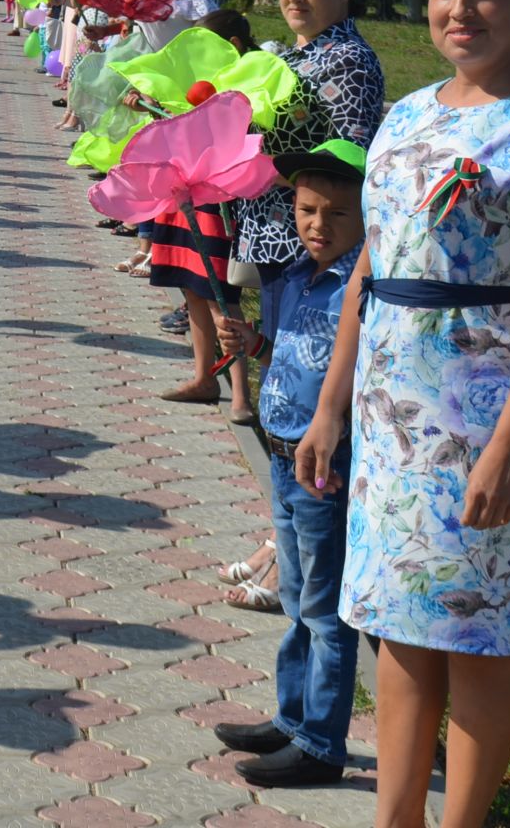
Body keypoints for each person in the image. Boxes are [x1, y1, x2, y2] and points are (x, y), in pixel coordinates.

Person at [296, 0, 510, 828]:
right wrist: (331, 407)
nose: (460, 9)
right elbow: (372, 266)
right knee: (397, 628)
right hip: (394, 410)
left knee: (475, 630)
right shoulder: (403, 116)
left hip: (483, 415)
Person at [213, 140, 368, 788]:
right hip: (282, 458)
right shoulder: (302, 274)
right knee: (297, 598)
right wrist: (253, 343)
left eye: (336, 214)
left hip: (320, 467)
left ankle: (321, 743)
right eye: (307, 210)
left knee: (325, 609)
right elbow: (296, 355)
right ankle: (292, 715)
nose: (317, 226)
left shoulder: (361, 286)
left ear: (367, 217)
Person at [230, 0, 387, 343]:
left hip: (311, 249)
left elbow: (348, 164)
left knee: (301, 369)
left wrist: (254, 169)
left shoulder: (349, 60)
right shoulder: (290, 55)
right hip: (275, 236)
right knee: (278, 364)